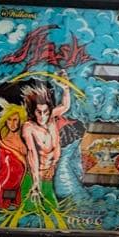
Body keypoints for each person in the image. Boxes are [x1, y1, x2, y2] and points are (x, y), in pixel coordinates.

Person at [21, 78, 71, 206]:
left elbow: (65, 106)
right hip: (35, 178)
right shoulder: (29, 127)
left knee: (51, 209)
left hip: (48, 175)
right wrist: (36, 183)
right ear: (34, 111)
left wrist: (66, 89)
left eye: (45, 112)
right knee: (32, 211)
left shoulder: (51, 118)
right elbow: (32, 154)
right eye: (39, 112)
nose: (42, 116)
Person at [0, 105, 28, 209]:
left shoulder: (24, 136)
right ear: (5, 121)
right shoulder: (3, 137)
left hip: (18, 177)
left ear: (20, 121)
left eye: (15, 120)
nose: (12, 123)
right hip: (6, 176)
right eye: (9, 119)